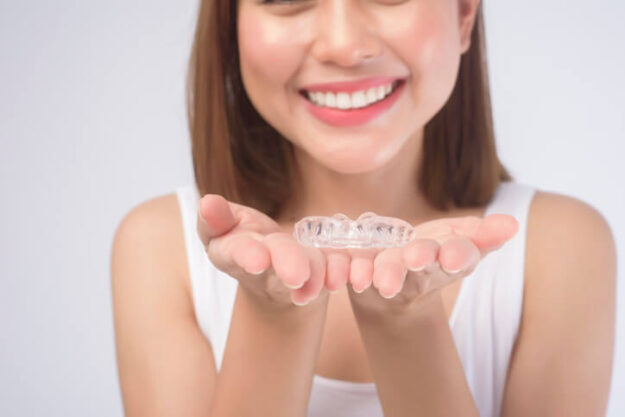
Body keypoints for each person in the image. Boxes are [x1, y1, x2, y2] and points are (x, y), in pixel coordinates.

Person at [110, 0, 617, 415]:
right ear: (231, 28)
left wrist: (407, 322)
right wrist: (275, 316)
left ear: (464, 14)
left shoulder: (561, 248)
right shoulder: (159, 249)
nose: (344, 47)